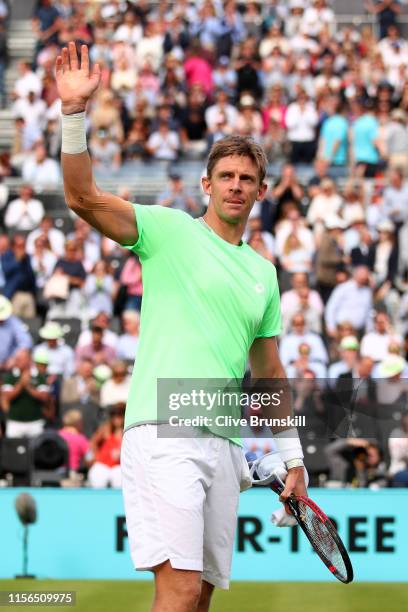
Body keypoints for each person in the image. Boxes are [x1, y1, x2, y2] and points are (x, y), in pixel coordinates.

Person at [56, 43, 306, 611]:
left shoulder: (264, 273)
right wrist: (74, 116)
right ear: (206, 185)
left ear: (262, 191)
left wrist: (293, 458)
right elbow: (81, 197)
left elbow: (269, 375)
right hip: (162, 430)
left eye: (247, 178)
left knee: (200, 601)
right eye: (226, 176)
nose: (236, 185)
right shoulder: (166, 230)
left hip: (224, 443)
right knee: (180, 590)